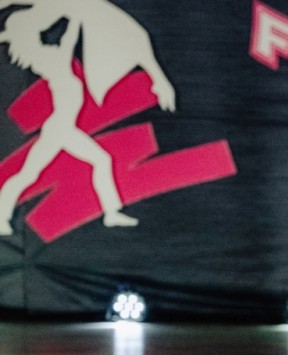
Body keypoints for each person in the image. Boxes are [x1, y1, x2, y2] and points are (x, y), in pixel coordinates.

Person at [0, 2, 174, 234]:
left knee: (96, 161)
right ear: (28, 35)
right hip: (60, 128)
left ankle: (111, 212)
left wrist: (78, 14)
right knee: (30, 174)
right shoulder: (46, 58)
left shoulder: (47, 55)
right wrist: (77, 14)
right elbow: (64, 43)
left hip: (63, 128)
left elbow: (68, 40)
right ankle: (2, 215)